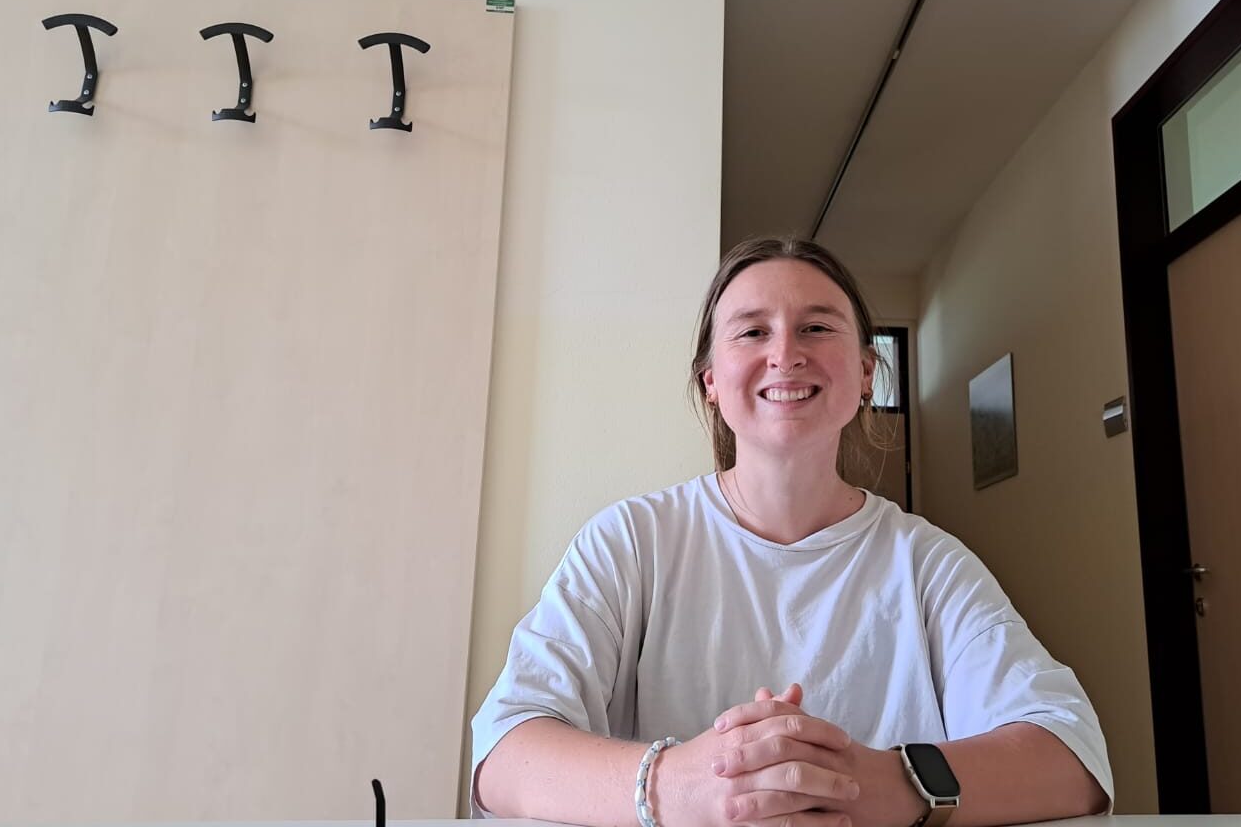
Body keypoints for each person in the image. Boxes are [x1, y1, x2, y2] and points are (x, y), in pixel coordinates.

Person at [470, 237, 1112, 827]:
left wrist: (881, 784)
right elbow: (502, 751)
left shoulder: (928, 562)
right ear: (711, 381)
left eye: (816, 328)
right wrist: (676, 785)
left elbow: (1073, 755)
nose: (785, 354)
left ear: (867, 372)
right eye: (753, 331)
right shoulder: (629, 542)